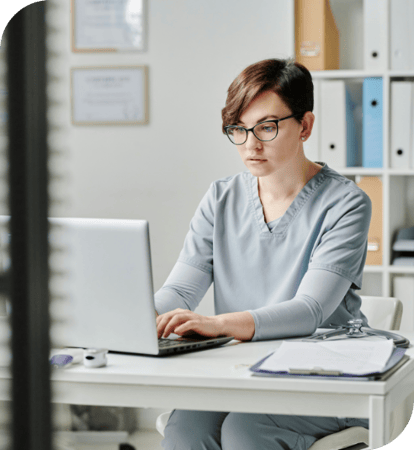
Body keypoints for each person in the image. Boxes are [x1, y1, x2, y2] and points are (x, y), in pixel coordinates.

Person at [154, 58, 371, 450]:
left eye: (266, 127)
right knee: (185, 430)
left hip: (324, 372)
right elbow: (180, 292)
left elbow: (309, 310)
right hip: (239, 370)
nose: (251, 144)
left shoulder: (346, 203)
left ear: (304, 126)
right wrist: (133, 318)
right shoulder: (221, 197)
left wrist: (219, 324)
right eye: (238, 129)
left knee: (246, 430)